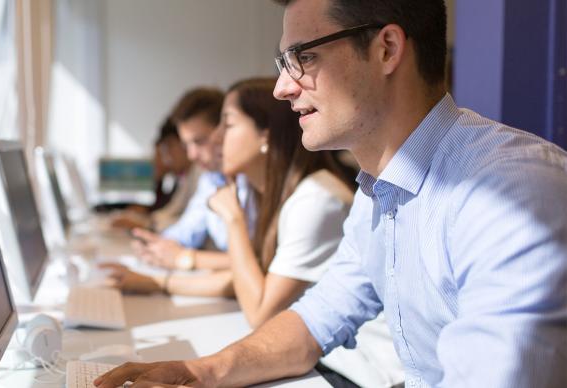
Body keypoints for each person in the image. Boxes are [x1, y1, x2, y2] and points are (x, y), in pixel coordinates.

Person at [95, 0, 567, 387]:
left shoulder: (509, 191)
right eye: (284, 63)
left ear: (386, 49)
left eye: (304, 57)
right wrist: (201, 371)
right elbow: (319, 317)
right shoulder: (376, 192)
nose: (282, 87)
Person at [104, 78, 403, 387]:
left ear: (265, 135)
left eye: (227, 125)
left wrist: (231, 221)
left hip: (363, 372)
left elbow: (260, 310)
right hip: (326, 358)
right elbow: (252, 278)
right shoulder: (269, 195)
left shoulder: (316, 199)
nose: (216, 139)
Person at [128, 88, 257, 272]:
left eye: (200, 141)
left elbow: (259, 261)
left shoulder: (253, 180)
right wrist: (156, 245)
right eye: (186, 144)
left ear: (223, 131)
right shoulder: (211, 179)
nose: (191, 155)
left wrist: (185, 258)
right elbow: (188, 229)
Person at [111, 117, 199, 231]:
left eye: (168, 147)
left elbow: (184, 220)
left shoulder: (197, 174)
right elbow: (169, 212)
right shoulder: (185, 177)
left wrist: (146, 224)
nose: (166, 157)